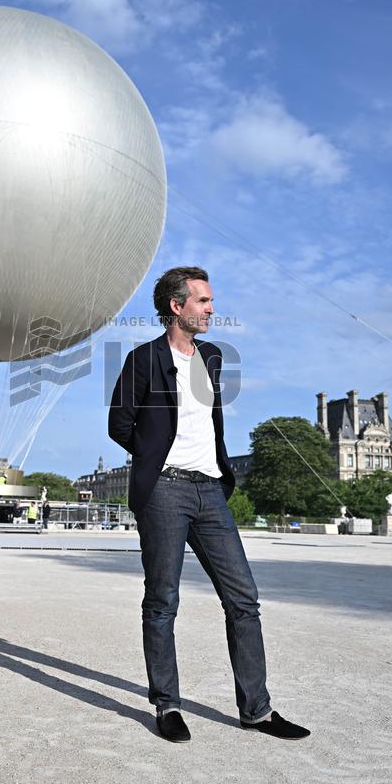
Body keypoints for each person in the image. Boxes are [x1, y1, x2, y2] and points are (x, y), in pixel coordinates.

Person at [108, 266, 310, 743]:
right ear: (176, 307)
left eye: (211, 301)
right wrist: (155, 458)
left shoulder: (214, 357)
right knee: (163, 601)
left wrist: (215, 469)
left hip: (211, 490)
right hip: (164, 491)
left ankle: (257, 710)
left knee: (244, 599)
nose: (212, 309)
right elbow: (119, 425)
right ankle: (167, 705)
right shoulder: (142, 359)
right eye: (203, 301)